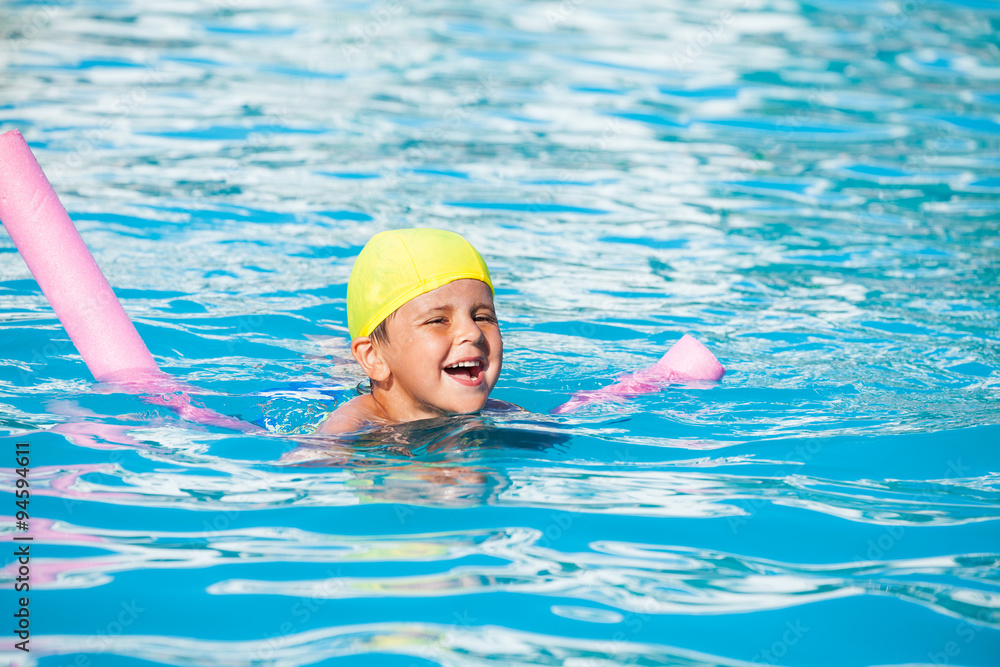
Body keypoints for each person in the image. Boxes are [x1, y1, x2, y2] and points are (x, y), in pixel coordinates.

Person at [315, 228, 513, 435]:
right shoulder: (350, 424)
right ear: (374, 356)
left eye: (482, 318)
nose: (473, 333)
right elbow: (313, 459)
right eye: (438, 320)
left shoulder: (502, 413)